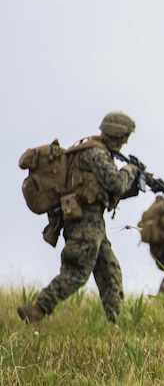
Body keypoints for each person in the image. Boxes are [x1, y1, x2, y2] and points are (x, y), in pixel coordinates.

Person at [17, 112, 144, 325]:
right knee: (77, 271)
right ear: (116, 133)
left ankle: (117, 321)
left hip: (91, 222)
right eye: (124, 136)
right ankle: (37, 309)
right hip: (84, 222)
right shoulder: (97, 154)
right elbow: (116, 184)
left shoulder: (90, 150)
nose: (126, 142)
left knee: (109, 269)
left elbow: (106, 189)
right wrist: (130, 170)